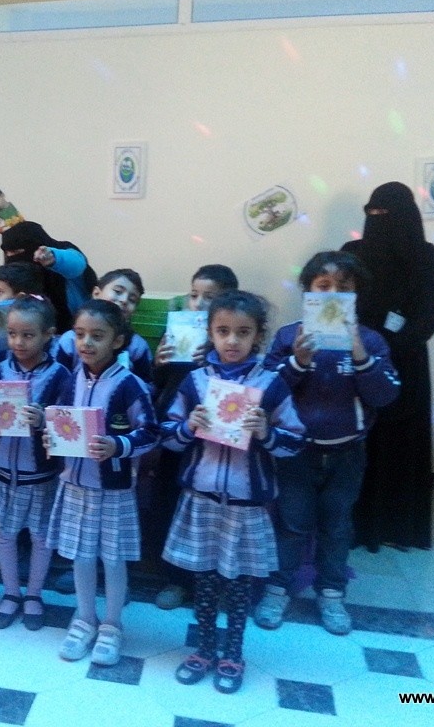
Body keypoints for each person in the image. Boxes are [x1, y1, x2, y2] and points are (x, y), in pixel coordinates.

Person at [162, 290, 304, 694]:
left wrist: (266, 433)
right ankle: (205, 649)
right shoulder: (195, 381)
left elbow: (295, 441)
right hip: (202, 499)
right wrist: (188, 426)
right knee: (205, 581)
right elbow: (167, 436)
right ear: (210, 332)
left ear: (258, 336)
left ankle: (233, 654)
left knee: (240, 585)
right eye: (223, 331)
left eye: (243, 332)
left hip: (246, 504)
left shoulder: (271, 385)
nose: (232, 340)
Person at [256, 252, 399, 636]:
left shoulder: (370, 340)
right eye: (323, 287)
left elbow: (385, 395)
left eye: (344, 288)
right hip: (296, 451)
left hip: (347, 452)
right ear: (308, 292)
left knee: (337, 525)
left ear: (356, 295)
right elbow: (265, 392)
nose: (333, 294)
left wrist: (360, 354)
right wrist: (298, 361)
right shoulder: (289, 337)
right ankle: (277, 589)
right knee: (291, 522)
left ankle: (332, 593)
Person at [45, 299, 159, 666]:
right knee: (80, 555)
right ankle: (84, 618)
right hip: (74, 484)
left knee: (112, 558)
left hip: (113, 489)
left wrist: (118, 445)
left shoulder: (129, 385)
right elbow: (61, 422)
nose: (87, 343)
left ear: (118, 341)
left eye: (97, 336)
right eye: (80, 334)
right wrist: (51, 437)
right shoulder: (70, 379)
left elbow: (151, 432)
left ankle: (111, 624)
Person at [342, 182, 434, 551]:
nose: (376, 220)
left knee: (398, 445)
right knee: (358, 444)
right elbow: (338, 306)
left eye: (385, 214)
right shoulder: (351, 253)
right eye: (371, 213)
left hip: (405, 365)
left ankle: (395, 527)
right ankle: (353, 525)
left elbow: (425, 322)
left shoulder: (426, 257)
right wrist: (361, 351)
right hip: (355, 362)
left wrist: (382, 349)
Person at [148, 263, 239, 610]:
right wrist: (160, 363)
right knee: (169, 504)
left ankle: (212, 581)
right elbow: (160, 387)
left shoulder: (230, 343)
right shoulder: (178, 333)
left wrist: (211, 361)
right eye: (194, 295)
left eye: (209, 298)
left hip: (214, 443)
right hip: (176, 436)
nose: (199, 304)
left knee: (207, 512)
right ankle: (174, 578)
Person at [0, 295, 71, 630]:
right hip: (3, 471)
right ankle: (10, 592)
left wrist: (44, 420)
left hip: (41, 475)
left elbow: (68, 425)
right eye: (12, 334)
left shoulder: (61, 375)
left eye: (28, 335)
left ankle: (33, 594)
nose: (18, 342)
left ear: (48, 334)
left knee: (41, 537)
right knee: (5, 534)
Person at [52, 268, 152, 384]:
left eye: (132, 299)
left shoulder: (137, 346)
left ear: (118, 341)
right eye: (118, 291)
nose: (124, 300)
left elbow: (146, 385)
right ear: (96, 293)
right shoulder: (69, 341)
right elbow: (58, 382)